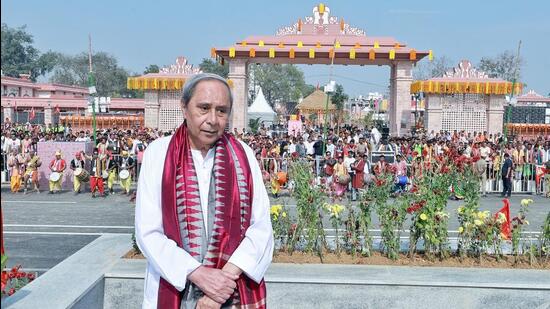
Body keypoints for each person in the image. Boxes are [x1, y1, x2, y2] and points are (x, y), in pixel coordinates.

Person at [135, 73, 273, 309]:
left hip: (233, 289)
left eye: (221, 110)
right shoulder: (158, 154)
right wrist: (198, 274)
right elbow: (148, 232)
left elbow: (261, 228)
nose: (212, 119)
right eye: (204, 108)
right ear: (184, 108)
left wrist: (220, 284)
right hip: (175, 286)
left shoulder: (243, 155)